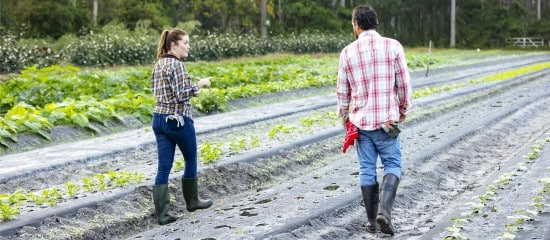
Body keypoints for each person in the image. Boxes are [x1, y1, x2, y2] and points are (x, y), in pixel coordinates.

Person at [336, 5, 412, 236]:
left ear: (356, 25)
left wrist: (344, 118)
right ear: (376, 24)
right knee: (393, 165)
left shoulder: (347, 53)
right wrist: (403, 108)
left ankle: (371, 222)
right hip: (387, 121)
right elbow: (404, 84)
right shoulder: (393, 46)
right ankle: (385, 213)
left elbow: (342, 92)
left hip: (361, 122)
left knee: (366, 169)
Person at [151, 28, 213, 225]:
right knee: (191, 158)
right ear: (174, 45)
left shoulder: (159, 64)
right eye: (185, 42)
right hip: (177, 120)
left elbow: (160, 91)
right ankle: (192, 202)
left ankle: (163, 214)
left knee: (164, 167)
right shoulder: (177, 66)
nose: (188, 46)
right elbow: (181, 95)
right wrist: (200, 85)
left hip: (159, 119)